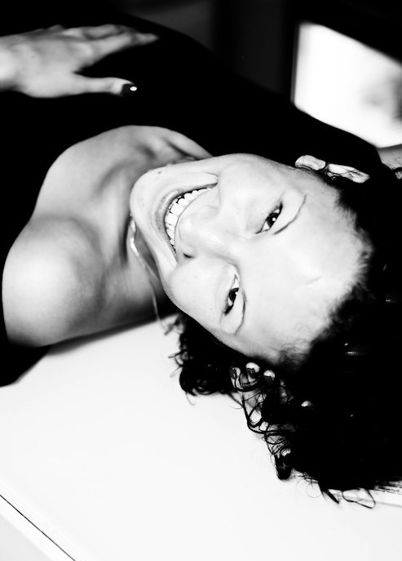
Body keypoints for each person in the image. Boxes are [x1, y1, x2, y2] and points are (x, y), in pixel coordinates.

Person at [1, 4, 400, 500]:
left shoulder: (47, 281)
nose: (198, 231)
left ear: (247, 361)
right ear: (334, 172)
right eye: (270, 218)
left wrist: (7, 63)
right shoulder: (347, 179)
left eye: (232, 297)